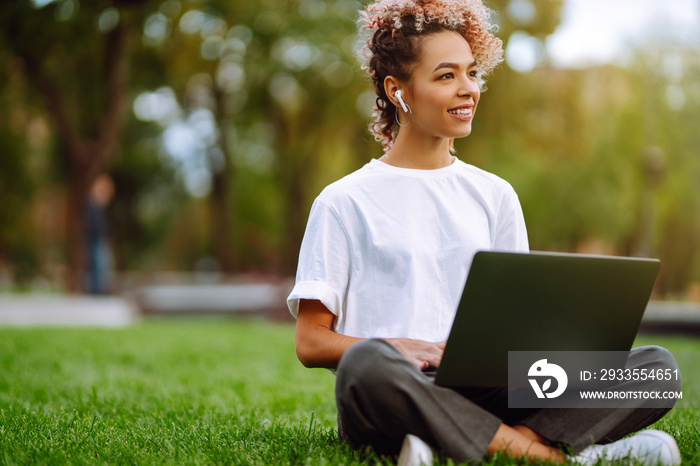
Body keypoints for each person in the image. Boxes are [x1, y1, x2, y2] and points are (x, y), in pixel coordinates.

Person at [287, 0, 681, 464]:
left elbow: (519, 321)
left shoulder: (495, 196)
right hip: (397, 385)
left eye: (472, 73)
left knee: (656, 369)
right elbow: (311, 341)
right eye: (446, 75)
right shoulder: (343, 201)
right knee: (365, 367)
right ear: (398, 91)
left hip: (493, 387)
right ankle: (557, 455)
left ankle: (445, 444)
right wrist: (394, 346)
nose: (468, 89)